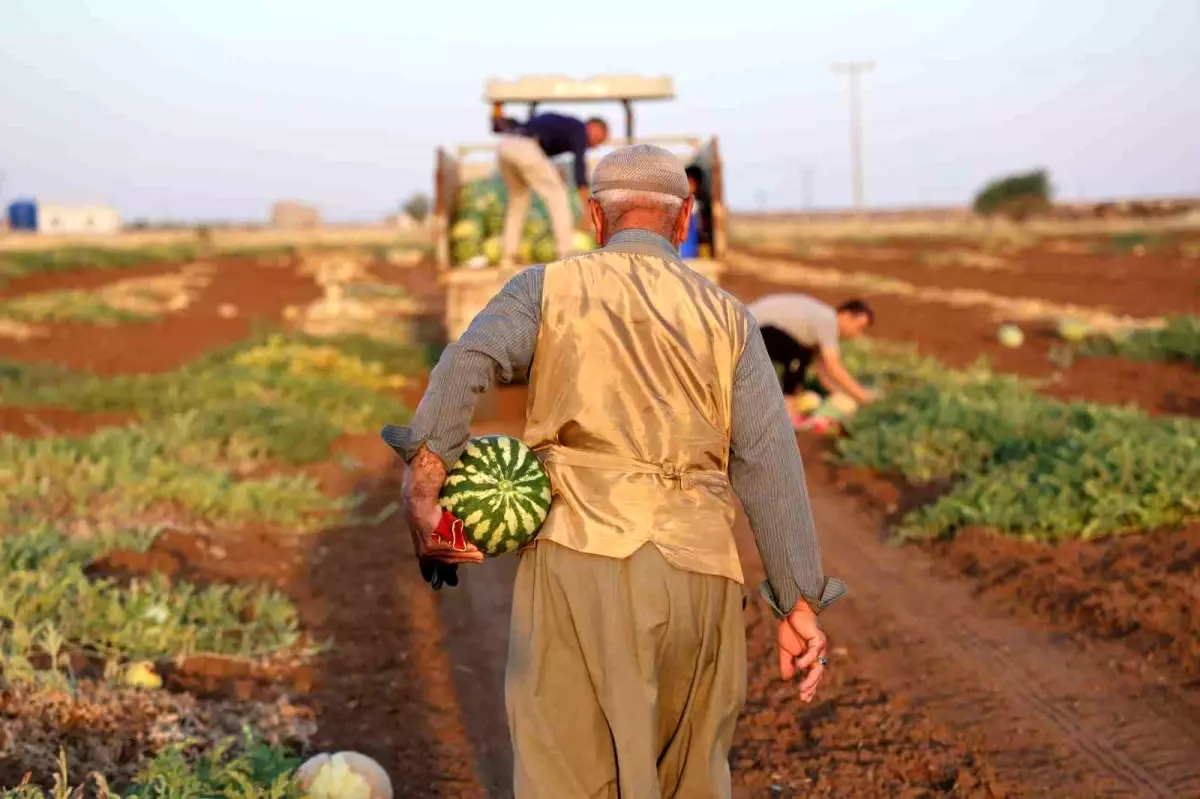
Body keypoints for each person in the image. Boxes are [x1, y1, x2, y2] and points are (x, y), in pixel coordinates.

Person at [388, 145, 844, 799]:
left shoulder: (546, 288)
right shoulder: (731, 318)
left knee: (566, 777)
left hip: (578, 557)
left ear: (593, 216)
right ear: (685, 217)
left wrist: (426, 485)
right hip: (701, 574)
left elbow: (467, 362)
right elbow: (770, 462)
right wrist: (798, 602)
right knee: (691, 779)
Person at [496, 112, 609, 266]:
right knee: (557, 196)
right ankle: (566, 252)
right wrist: (587, 208)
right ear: (593, 127)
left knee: (518, 200)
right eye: (600, 139)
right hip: (525, 147)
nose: (597, 145)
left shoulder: (565, 127)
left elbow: (540, 150)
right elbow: (579, 169)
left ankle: (509, 255)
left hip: (505, 146)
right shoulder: (580, 129)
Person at [747, 294, 877, 419]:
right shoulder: (828, 321)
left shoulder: (821, 320)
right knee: (799, 356)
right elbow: (833, 366)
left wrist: (840, 393)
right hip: (752, 329)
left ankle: (787, 404)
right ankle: (788, 407)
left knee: (803, 355)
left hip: (753, 327)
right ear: (846, 315)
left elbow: (821, 369)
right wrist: (862, 395)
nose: (857, 334)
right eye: (859, 327)